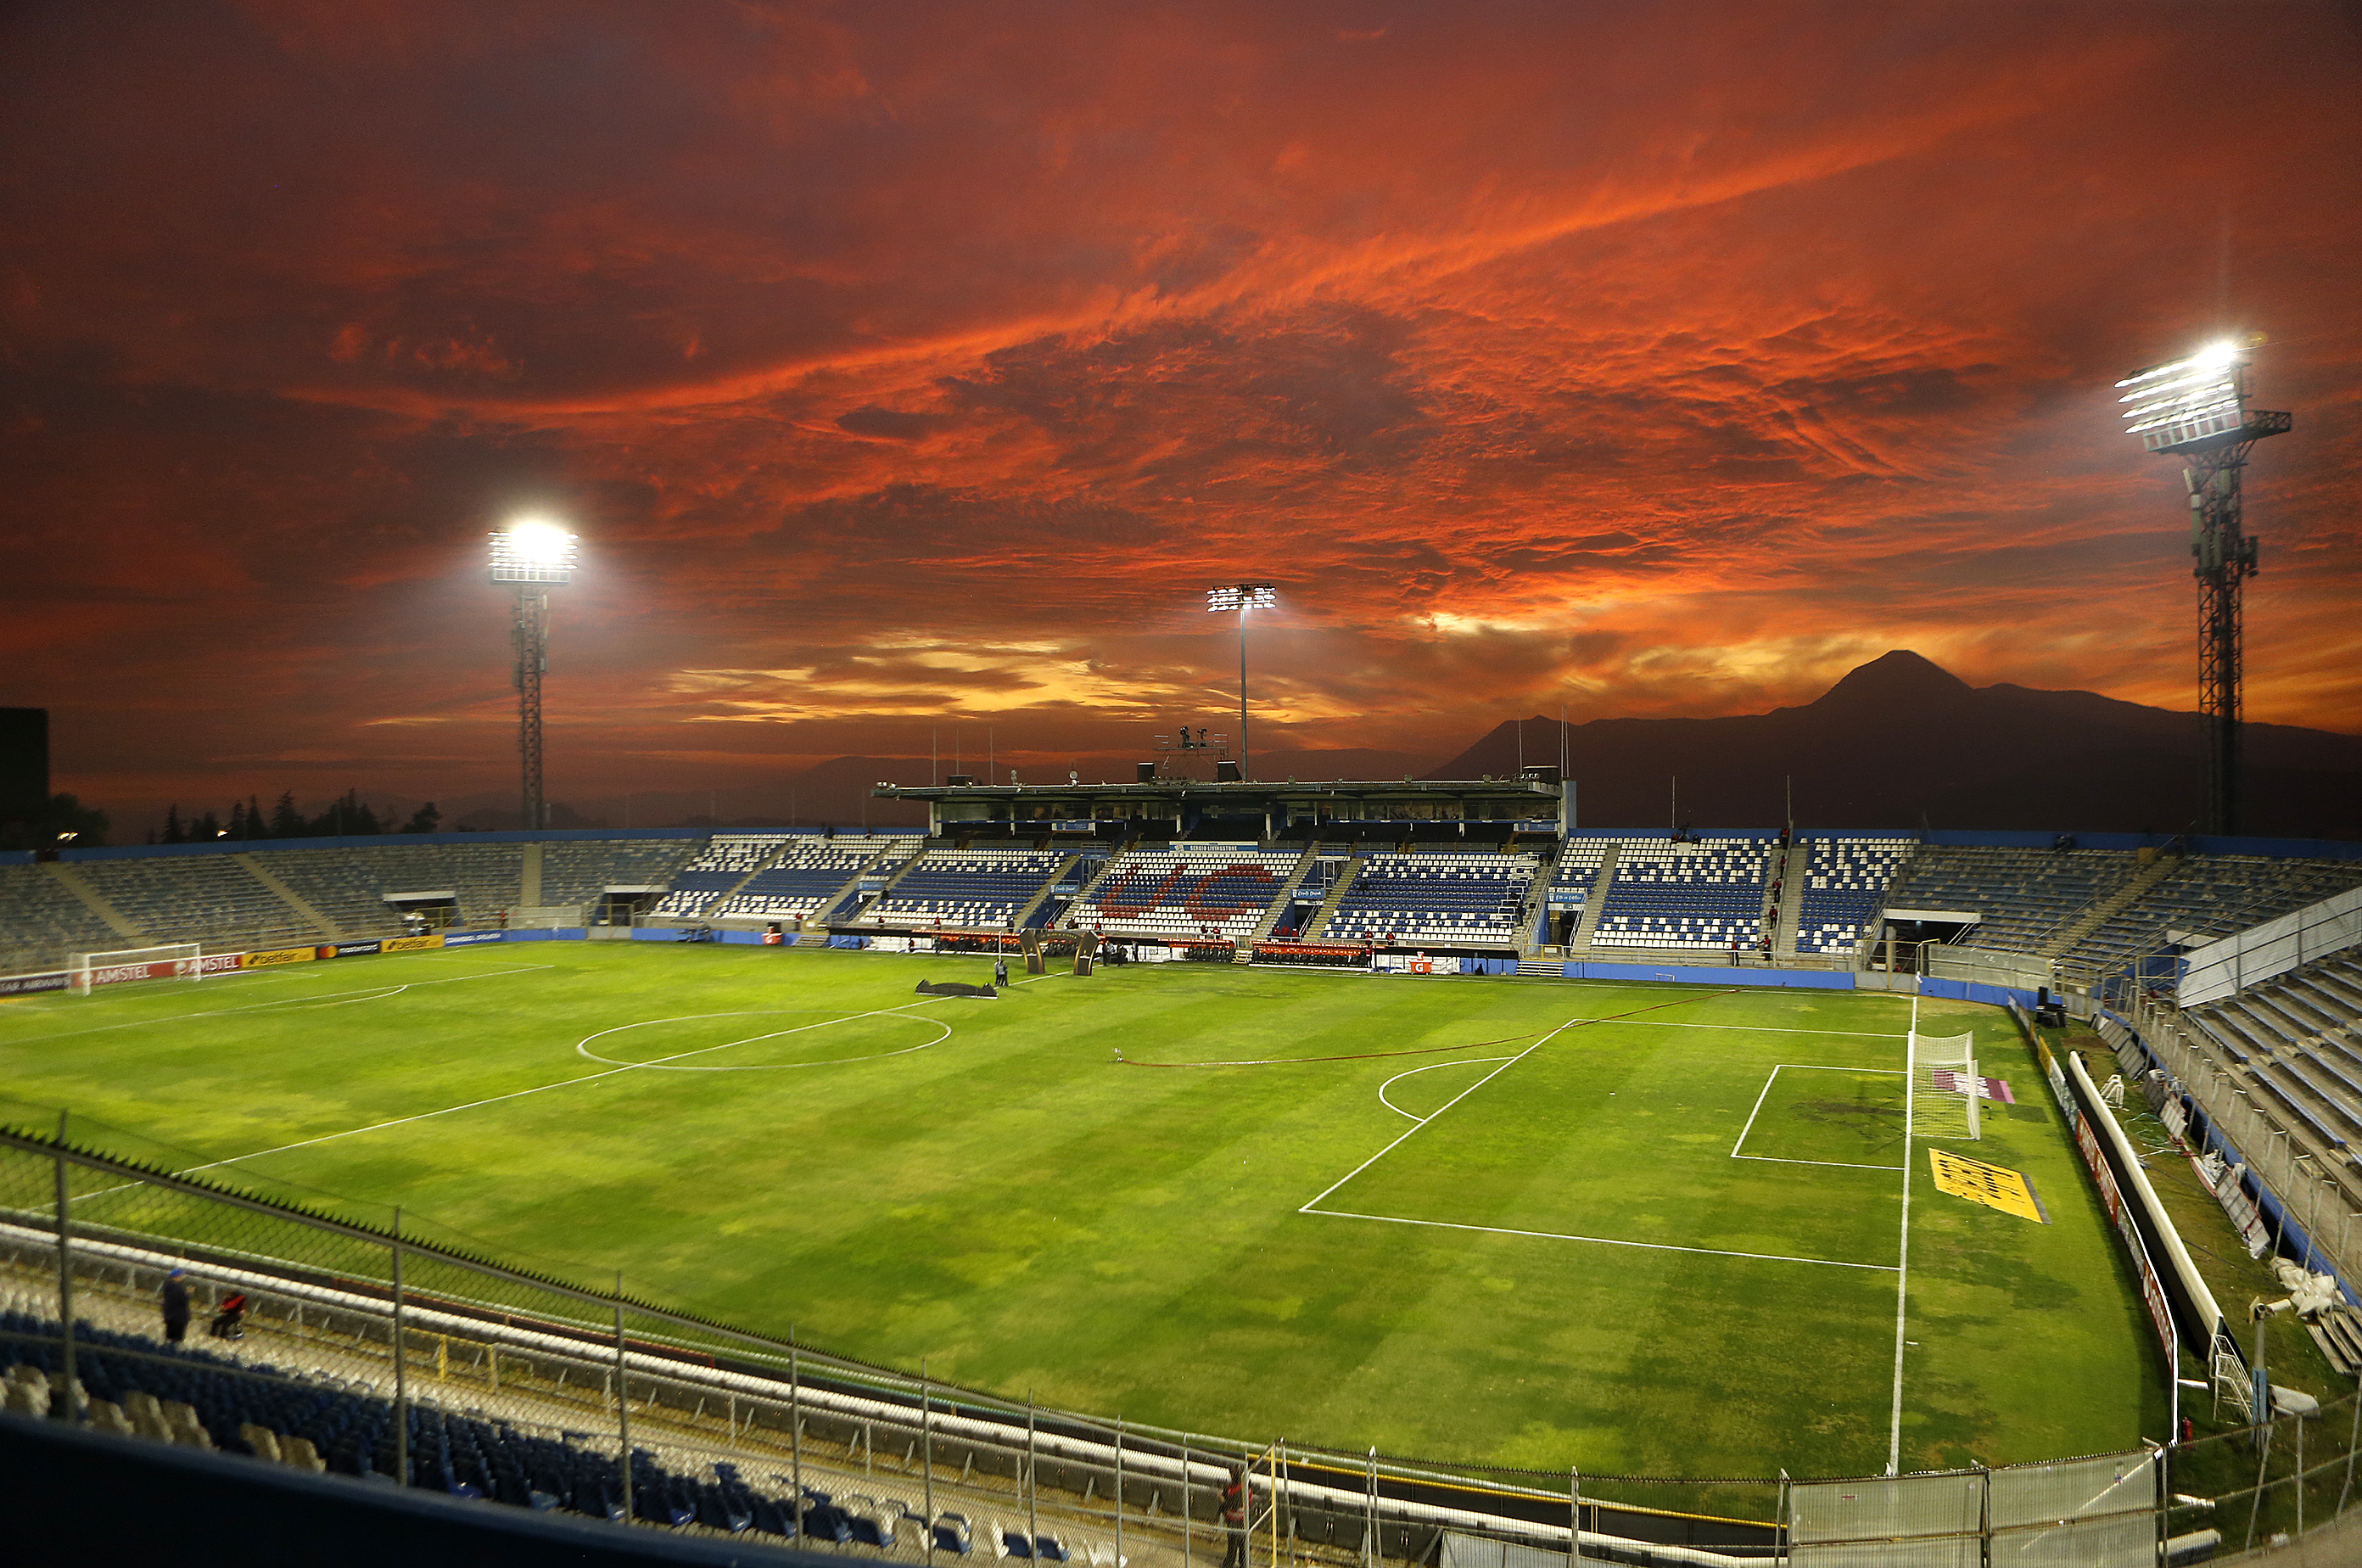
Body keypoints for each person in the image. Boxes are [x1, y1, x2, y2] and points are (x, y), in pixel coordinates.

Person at [1220, 1467, 1248, 1568]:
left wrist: (1223, 1502)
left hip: (1237, 1520)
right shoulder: (1238, 1487)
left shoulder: (1240, 1488)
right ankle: (1243, 1563)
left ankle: (1229, 1564)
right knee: (1241, 1544)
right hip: (1239, 1520)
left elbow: (1234, 1505)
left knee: (1234, 1544)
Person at [160, 1268, 191, 1344]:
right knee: (177, 1338)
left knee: (169, 1335)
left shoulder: (167, 1286)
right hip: (179, 1316)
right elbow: (183, 1300)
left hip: (169, 1314)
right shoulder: (179, 1288)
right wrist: (188, 1294)